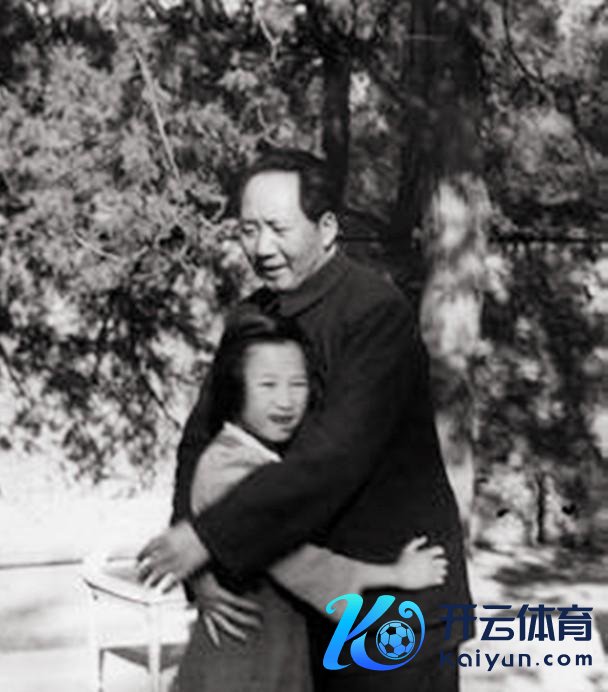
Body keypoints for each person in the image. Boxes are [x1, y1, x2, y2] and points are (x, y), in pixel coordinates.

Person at [139, 149, 473, 691]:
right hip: (297, 611)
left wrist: (210, 536)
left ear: (327, 228)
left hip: (392, 602)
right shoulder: (253, 317)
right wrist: (197, 561)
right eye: (248, 230)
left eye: (278, 229)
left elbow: (334, 456)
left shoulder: (375, 312)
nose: (261, 248)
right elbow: (200, 439)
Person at [174, 310, 448, 691]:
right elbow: (298, 563)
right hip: (242, 660)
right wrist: (395, 575)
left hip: (271, 649)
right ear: (235, 389)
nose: (285, 401)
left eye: (298, 384)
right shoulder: (227, 467)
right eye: (268, 385)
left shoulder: (265, 458)